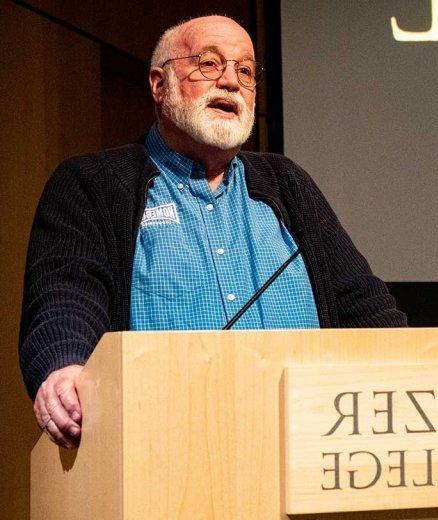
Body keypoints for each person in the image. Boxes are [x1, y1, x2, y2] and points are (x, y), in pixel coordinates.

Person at [19, 15, 407, 449]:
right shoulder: (94, 182)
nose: (230, 82)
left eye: (245, 71)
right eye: (209, 64)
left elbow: (366, 310)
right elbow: (64, 299)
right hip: (162, 448)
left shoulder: (287, 184)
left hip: (308, 446)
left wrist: (412, 379)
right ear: (158, 84)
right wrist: (65, 369)